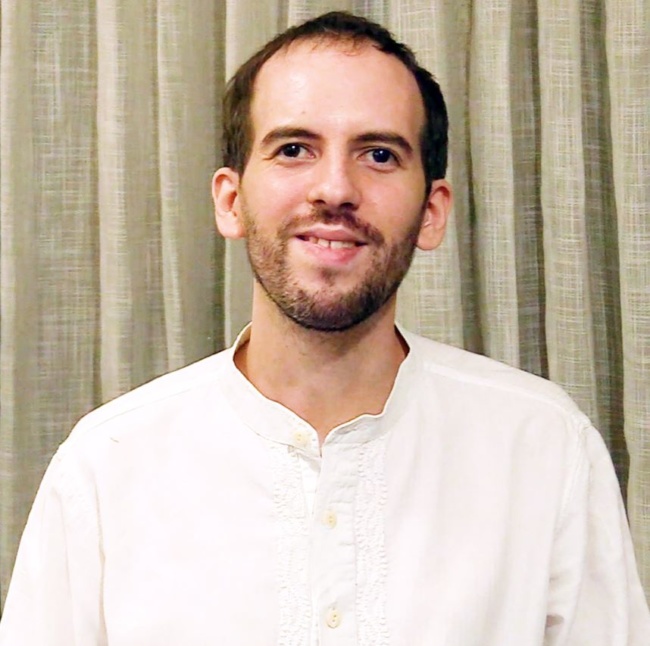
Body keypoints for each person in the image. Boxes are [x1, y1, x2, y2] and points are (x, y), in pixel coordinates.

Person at [1, 10, 648, 645]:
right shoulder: (105, 470)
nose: (335, 188)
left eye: (378, 154)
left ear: (431, 212)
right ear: (231, 201)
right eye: (293, 150)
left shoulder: (544, 449)